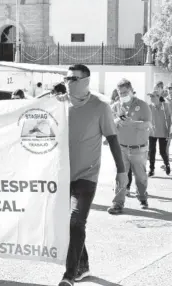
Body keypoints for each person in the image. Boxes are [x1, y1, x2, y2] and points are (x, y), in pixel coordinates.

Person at [57, 64, 127, 286]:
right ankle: (83, 263)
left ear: (86, 81)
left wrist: (122, 172)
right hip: (60, 175)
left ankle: (69, 276)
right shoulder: (58, 104)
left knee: (76, 222)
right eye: (67, 78)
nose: (69, 82)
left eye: (74, 79)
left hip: (87, 176)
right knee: (68, 224)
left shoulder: (100, 107)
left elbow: (113, 139)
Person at [108, 79, 152, 214]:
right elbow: (108, 125)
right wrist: (116, 122)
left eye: (125, 92)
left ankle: (142, 196)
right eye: (120, 93)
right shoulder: (115, 107)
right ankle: (117, 203)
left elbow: (148, 125)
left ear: (132, 90)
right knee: (121, 176)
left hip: (139, 149)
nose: (123, 95)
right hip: (121, 148)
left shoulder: (142, 105)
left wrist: (132, 123)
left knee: (140, 177)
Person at [147, 92, 171, 176]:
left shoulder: (165, 106)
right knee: (151, 151)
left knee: (162, 151)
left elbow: (169, 119)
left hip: (163, 132)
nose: (151, 98)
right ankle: (151, 169)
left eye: (152, 96)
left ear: (158, 97)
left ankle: (167, 164)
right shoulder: (149, 106)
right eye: (150, 96)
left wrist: (169, 132)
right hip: (152, 132)